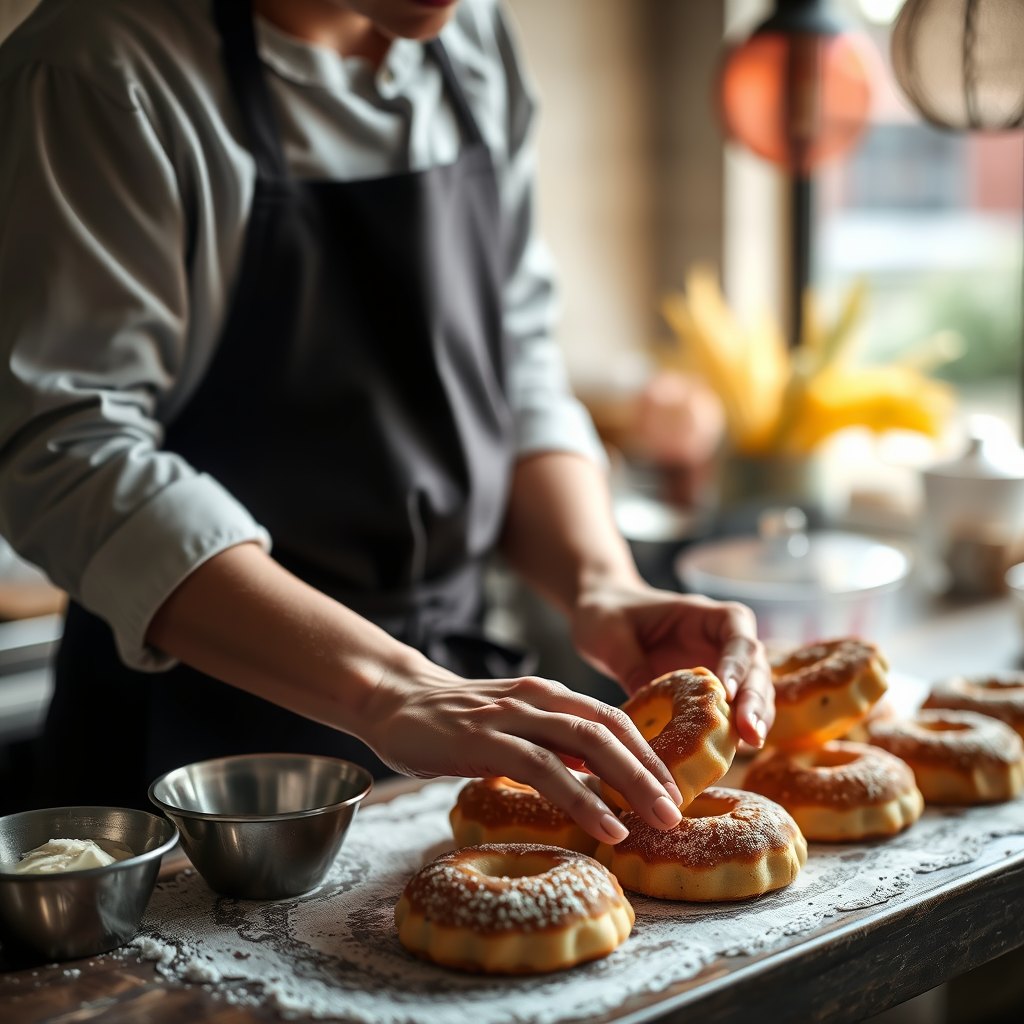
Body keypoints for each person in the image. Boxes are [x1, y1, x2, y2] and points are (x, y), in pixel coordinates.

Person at [0, 0, 773, 846]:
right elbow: (68, 448)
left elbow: (512, 367)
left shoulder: (471, 39)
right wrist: (391, 690)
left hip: (448, 725)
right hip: (191, 765)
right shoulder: (104, 69)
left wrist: (601, 584)